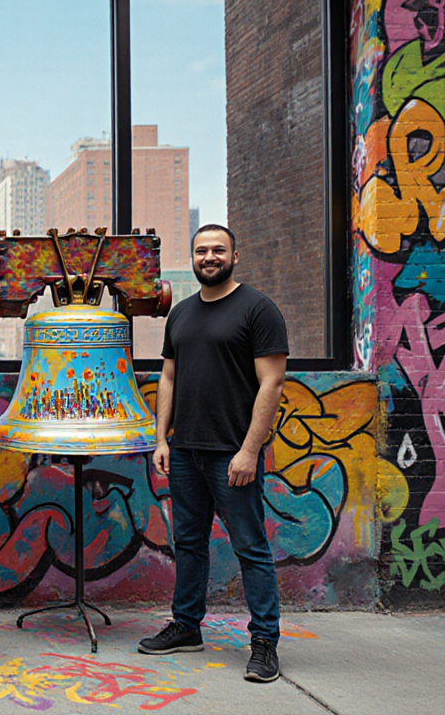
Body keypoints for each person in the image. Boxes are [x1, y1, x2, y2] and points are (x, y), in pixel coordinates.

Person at [137, 223, 288, 684]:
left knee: (250, 548)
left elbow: (273, 383)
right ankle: (186, 626)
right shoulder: (181, 313)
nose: (209, 257)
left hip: (232, 454)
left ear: (234, 256)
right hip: (185, 451)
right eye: (201, 250)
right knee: (189, 544)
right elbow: (168, 378)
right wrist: (162, 439)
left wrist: (249, 450)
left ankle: (264, 643)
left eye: (217, 250)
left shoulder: (258, 310)